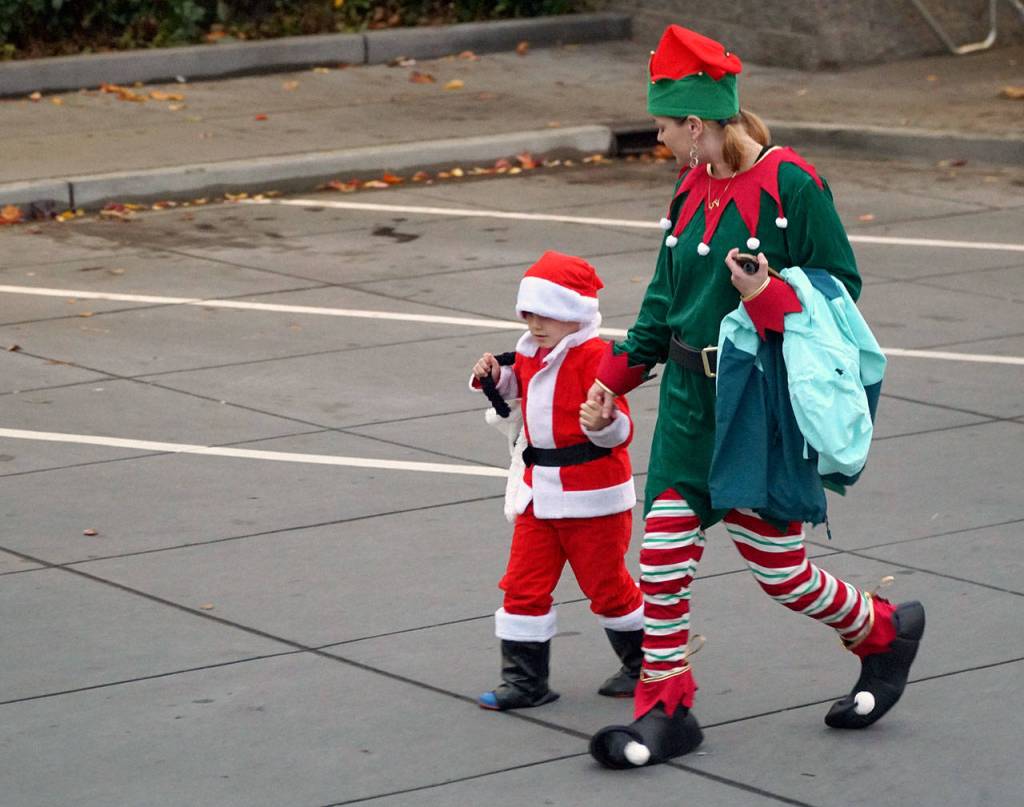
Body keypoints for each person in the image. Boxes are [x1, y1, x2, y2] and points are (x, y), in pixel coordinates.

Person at [585, 25, 926, 768]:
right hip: (685, 402)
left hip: (755, 406)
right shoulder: (688, 184)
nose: (664, 142)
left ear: (699, 125)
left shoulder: (792, 185)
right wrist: (614, 379)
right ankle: (666, 708)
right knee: (665, 553)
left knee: (781, 571)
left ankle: (881, 629)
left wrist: (769, 295)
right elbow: (663, 296)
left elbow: (842, 291)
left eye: (669, 129)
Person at [470, 250, 645, 711]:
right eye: (528, 313)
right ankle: (526, 683)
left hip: (594, 500)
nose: (534, 324)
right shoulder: (532, 351)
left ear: (574, 312)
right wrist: (497, 377)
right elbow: (521, 389)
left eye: (546, 313)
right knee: (522, 587)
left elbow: (621, 430)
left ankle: (646, 665)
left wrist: (601, 423)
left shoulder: (598, 358)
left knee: (608, 589)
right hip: (538, 495)